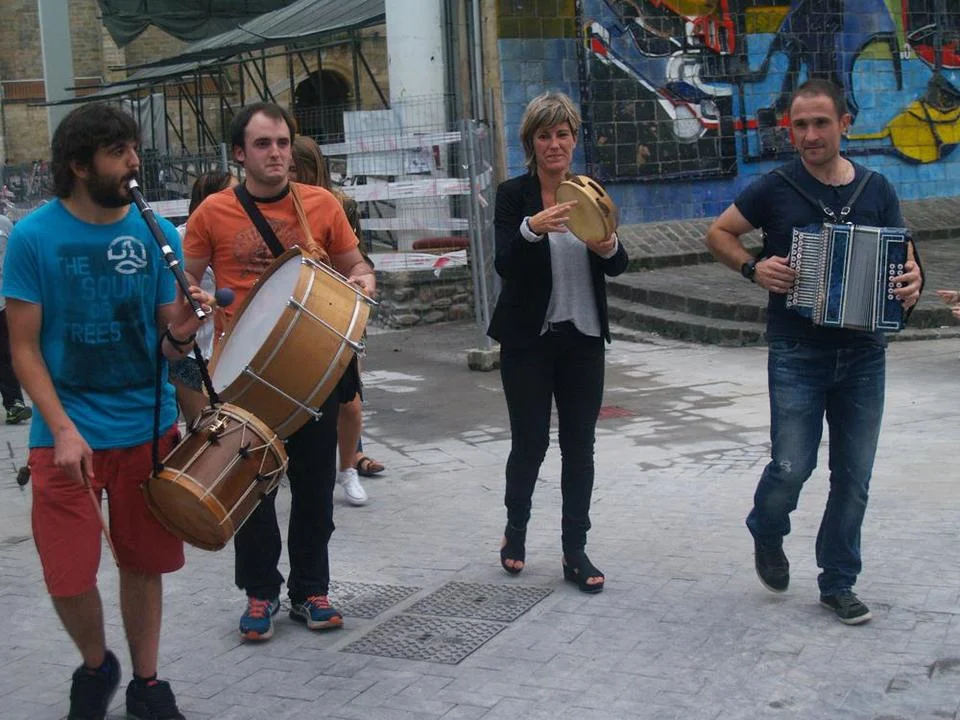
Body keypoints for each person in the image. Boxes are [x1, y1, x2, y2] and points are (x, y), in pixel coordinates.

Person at [2, 103, 213, 720]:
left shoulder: (157, 232)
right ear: (79, 165)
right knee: (67, 575)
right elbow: (23, 348)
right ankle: (97, 665)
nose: (133, 162)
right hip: (64, 431)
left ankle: (147, 684)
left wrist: (187, 330)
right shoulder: (33, 237)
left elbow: (167, 343)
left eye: (133, 149)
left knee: (143, 564)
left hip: (146, 425)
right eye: (118, 152)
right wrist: (62, 429)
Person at [705, 79, 923, 625]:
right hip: (797, 349)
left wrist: (913, 281)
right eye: (799, 125)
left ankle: (838, 581)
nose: (809, 135)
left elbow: (903, 256)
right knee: (791, 466)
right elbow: (719, 234)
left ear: (844, 124)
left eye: (820, 123)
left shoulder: (876, 188)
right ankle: (767, 527)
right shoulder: (775, 187)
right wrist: (754, 268)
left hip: (864, 353)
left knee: (854, 476)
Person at [184, 102, 375, 641]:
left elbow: (356, 264)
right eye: (263, 144)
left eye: (284, 143)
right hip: (244, 376)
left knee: (314, 487)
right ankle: (260, 591)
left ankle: (311, 590)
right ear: (239, 153)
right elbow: (185, 282)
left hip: (314, 366)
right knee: (252, 489)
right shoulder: (212, 213)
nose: (276, 153)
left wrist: (364, 279)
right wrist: (193, 297)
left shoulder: (322, 204)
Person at [487, 91, 628, 593]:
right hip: (528, 340)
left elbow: (618, 263)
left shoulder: (589, 191)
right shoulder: (513, 195)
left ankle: (575, 550)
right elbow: (505, 263)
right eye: (544, 135)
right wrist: (531, 230)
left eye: (562, 134)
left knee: (580, 447)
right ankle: (516, 529)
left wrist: (608, 245)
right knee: (530, 442)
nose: (554, 144)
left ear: (573, 139)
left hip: (583, 338)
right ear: (531, 142)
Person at [289, 135, 385, 506]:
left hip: (338, 312)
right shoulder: (277, 205)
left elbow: (359, 258)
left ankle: (348, 467)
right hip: (296, 315)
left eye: (297, 169)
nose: (290, 176)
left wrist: (361, 279)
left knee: (350, 401)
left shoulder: (339, 204)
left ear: (312, 168)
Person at [169, 170, 237, 426]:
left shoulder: (240, 236)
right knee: (205, 431)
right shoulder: (179, 239)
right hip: (192, 352)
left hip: (230, 351)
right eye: (230, 195)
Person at [0, 211, 32, 424]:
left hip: (3, 300)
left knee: (5, 353)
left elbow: (15, 259)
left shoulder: (4, 224)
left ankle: (14, 404)